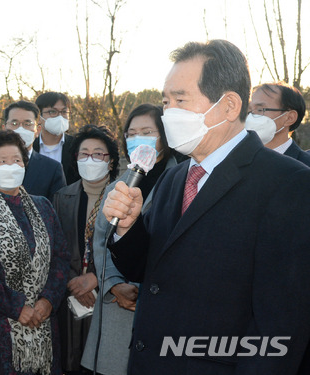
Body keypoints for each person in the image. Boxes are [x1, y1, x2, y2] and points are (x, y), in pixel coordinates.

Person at [102, 39, 310, 374]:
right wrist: (128, 228)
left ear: (229, 106)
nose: (169, 113)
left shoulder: (289, 184)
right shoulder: (174, 179)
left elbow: (281, 325)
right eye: (166, 102)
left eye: (180, 100)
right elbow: (151, 273)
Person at [0, 130, 70, 375]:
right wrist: (17, 307)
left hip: (42, 322)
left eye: (17, 160)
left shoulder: (44, 207)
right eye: (2, 161)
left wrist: (48, 300)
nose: (11, 166)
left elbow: (60, 258)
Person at [81, 105, 179, 375]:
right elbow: (100, 240)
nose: (139, 138)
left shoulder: (181, 180)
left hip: (159, 302)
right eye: (132, 133)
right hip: (117, 304)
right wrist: (113, 285)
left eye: (148, 132)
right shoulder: (119, 185)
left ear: (165, 136)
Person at [52, 125, 119, 374]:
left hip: (108, 296)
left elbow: (132, 252)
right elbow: (53, 248)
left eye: (98, 154)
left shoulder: (124, 196)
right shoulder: (61, 197)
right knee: (70, 361)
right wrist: (74, 282)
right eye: (84, 154)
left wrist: (96, 279)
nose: (90, 159)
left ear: (110, 162)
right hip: (69, 297)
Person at [3, 100, 66, 202]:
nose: (20, 129)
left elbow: (58, 211)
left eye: (27, 124)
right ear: (4, 129)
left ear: (38, 130)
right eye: (14, 123)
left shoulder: (52, 169)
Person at [246, 82, 310, 166]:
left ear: (289, 118)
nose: (251, 116)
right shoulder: (237, 163)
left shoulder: (305, 167)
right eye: (249, 111)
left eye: (260, 109)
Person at [33, 92, 80, 184]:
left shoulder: (77, 146)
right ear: (39, 117)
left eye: (64, 112)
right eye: (52, 112)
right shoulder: (29, 146)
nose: (59, 117)